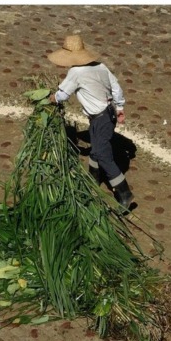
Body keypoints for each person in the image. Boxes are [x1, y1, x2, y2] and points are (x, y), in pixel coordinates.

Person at [46, 34, 134, 210]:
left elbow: (62, 95)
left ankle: (124, 192)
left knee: (103, 155)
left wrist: (50, 98)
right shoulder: (101, 66)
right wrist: (119, 108)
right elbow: (116, 87)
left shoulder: (75, 72)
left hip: (100, 118)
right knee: (97, 148)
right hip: (108, 114)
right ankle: (92, 180)